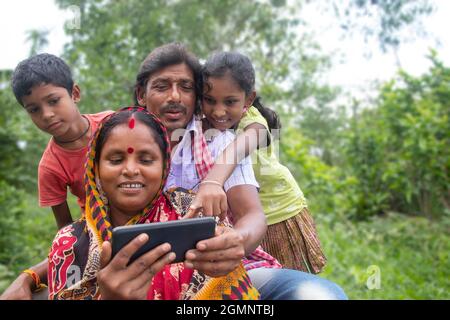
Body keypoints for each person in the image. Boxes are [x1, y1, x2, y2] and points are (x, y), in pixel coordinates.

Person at [134, 42, 347, 299]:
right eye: (161, 86)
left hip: (221, 270)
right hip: (143, 274)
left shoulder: (220, 140)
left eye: (186, 87)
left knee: (317, 295)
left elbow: (252, 215)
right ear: (141, 95)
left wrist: (236, 242)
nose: (175, 97)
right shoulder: (120, 140)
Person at [47, 106, 260, 299]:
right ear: (96, 170)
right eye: (116, 160)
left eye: (146, 159)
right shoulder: (69, 244)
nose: (130, 170)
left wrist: (231, 246)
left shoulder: (191, 210)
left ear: (164, 168)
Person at [189, 51, 326, 273]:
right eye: (209, 100)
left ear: (248, 99)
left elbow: (238, 148)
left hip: (279, 212)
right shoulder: (203, 125)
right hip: (247, 217)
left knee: (286, 281)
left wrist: (212, 182)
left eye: (230, 101)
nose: (218, 111)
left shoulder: (254, 123)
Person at [11, 53, 113, 229]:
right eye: (34, 109)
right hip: (99, 230)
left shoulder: (112, 123)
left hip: (148, 211)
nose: (46, 114)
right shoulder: (50, 167)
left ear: (74, 93)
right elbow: (65, 229)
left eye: (53, 101)